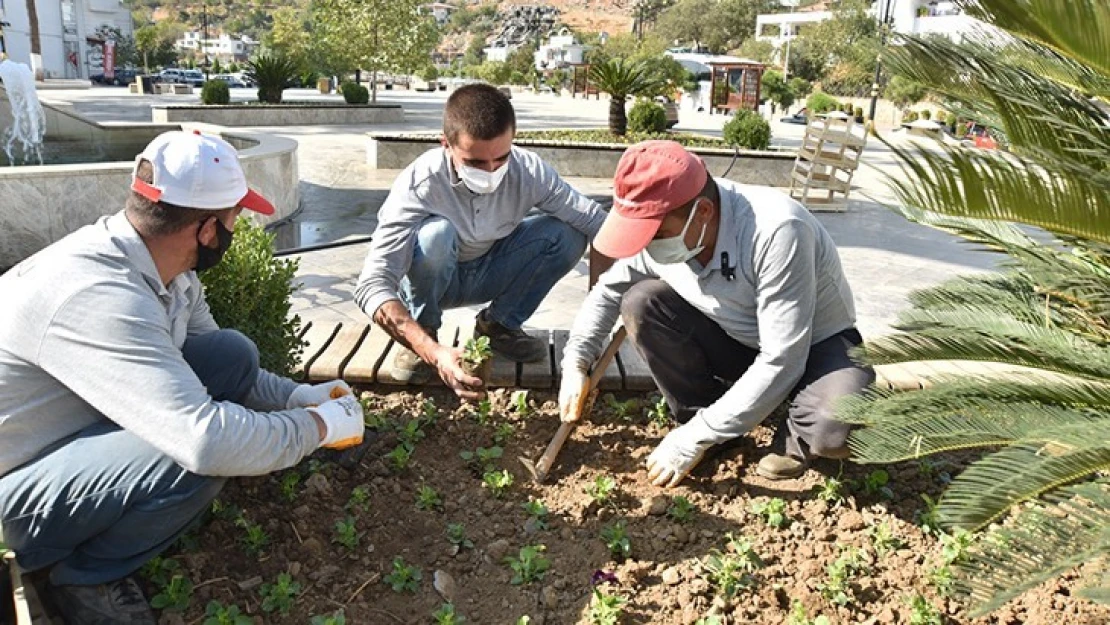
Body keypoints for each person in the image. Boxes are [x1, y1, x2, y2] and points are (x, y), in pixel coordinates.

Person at [0, 131, 365, 624]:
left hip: (68, 437)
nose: (243, 226)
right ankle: (85, 577)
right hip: (15, 491)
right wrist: (320, 429)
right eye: (237, 215)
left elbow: (226, 366)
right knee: (191, 459)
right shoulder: (102, 295)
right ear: (208, 229)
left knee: (230, 353)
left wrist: (298, 397)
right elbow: (205, 442)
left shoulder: (165, 267)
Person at [559, 140, 873, 487]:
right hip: (736, 340)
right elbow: (608, 290)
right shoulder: (664, 226)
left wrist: (693, 438)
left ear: (704, 212)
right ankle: (712, 421)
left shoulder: (777, 230)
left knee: (832, 427)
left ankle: (795, 437)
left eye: (657, 234)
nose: (647, 246)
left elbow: (783, 357)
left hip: (816, 347)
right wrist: (575, 362)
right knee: (642, 302)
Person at [355, 83, 607, 398]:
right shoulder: (419, 184)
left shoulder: (528, 170)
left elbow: (597, 223)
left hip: (492, 270)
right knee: (435, 237)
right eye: (475, 163)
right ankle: (425, 329)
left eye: (500, 159)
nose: (490, 171)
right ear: (445, 144)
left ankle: (499, 327)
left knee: (567, 234)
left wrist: (595, 325)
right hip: (436, 280)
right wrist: (432, 351)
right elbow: (371, 284)